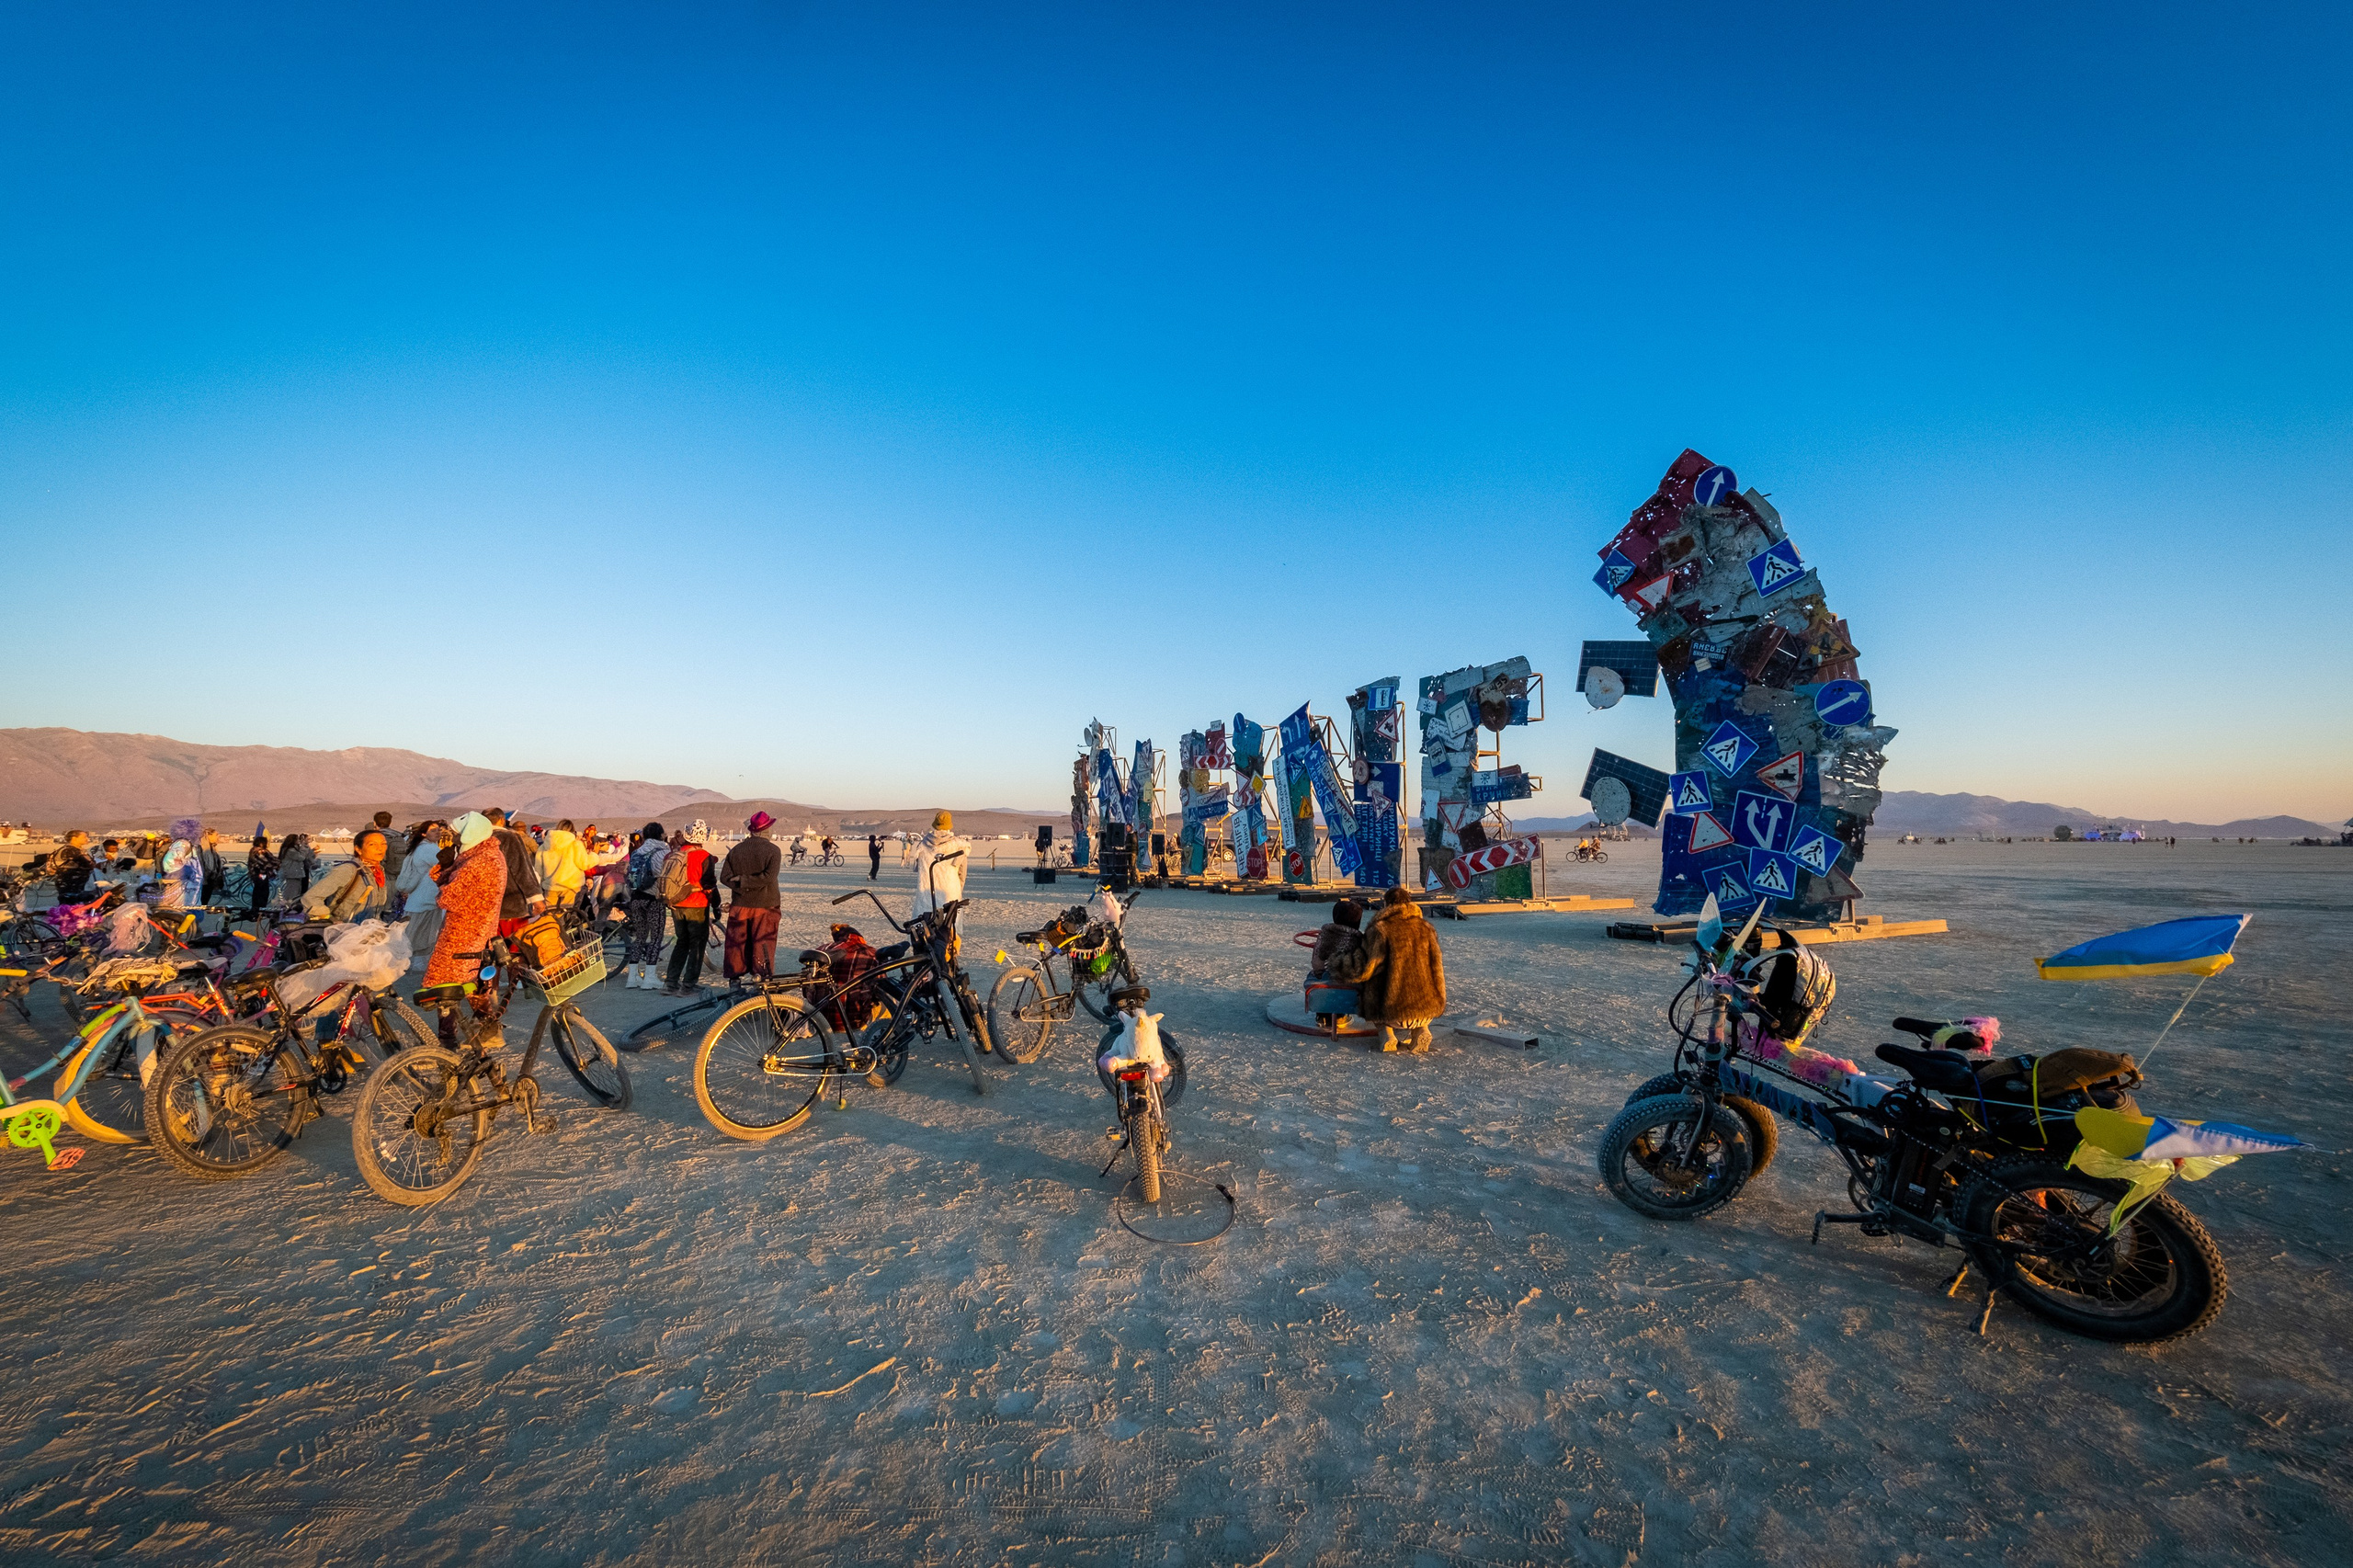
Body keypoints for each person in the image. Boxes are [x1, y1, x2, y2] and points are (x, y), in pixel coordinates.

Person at [422, 812, 506, 1044]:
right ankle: (488, 1030)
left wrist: (446, 867)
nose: (455, 839)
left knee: (446, 988)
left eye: (458, 835)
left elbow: (447, 899)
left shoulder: (478, 862)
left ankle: (447, 1043)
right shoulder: (488, 854)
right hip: (479, 929)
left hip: (464, 933)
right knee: (474, 983)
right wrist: (449, 866)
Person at [1335, 885, 1448, 1053]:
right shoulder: (1427, 929)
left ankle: (1386, 1034)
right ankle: (1421, 1029)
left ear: (1386, 904)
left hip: (1391, 1012)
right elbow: (1437, 969)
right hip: (1426, 1009)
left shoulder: (1380, 929)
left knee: (1371, 985)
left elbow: (1364, 968)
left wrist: (1339, 963)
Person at [722, 811, 783, 982]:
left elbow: (724, 878)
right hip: (766, 905)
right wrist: (747, 882)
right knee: (763, 944)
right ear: (766, 830)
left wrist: (741, 884)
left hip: (740, 904)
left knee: (737, 945)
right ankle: (762, 980)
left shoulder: (736, 850)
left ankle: (735, 982)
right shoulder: (773, 850)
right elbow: (769, 877)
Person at [662, 828, 722, 995]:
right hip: (697, 905)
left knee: (682, 942)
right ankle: (688, 985)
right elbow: (710, 885)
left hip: (676, 904)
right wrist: (716, 906)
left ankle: (670, 983)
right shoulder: (704, 856)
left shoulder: (672, 855)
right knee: (697, 944)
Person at [302, 826, 392, 922]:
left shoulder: (378, 872)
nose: (380, 848)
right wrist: (330, 920)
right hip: (346, 932)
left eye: (384, 844)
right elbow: (311, 897)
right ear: (358, 849)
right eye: (372, 844)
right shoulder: (348, 870)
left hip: (370, 931)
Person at [622, 824, 671, 989]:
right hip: (653, 900)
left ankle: (632, 977)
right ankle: (650, 977)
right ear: (661, 834)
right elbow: (665, 875)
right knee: (656, 938)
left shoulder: (637, 852)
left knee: (640, 937)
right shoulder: (663, 853)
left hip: (635, 899)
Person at [483, 808, 546, 937]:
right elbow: (521, 869)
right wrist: (536, 897)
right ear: (502, 820)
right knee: (515, 948)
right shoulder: (509, 837)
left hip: (485, 906)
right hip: (511, 904)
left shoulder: (475, 839)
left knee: (492, 949)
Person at [537, 818, 622, 908]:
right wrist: (594, 854)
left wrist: (544, 884)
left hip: (550, 887)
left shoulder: (544, 847)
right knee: (567, 913)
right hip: (570, 886)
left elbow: (539, 869)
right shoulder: (575, 845)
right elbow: (584, 864)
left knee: (550, 914)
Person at [394, 823, 449, 961]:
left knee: (415, 933)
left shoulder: (420, 847)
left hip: (419, 898)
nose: (437, 832)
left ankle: (410, 962)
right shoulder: (428, 849)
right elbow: (446, 866)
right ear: (424, 833)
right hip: (425, 898)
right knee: (421, 934)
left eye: (438, 830)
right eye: (433, 830)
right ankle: (413, 963)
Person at [909, 811, 969, 916]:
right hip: (950, 892)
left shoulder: (922, 845)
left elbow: (918, 869)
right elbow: (962, 874)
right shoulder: (959, 845)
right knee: (950, 926)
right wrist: (959, 890)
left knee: (926, 925)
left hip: (926, 894)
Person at [1310, 899, 1366, 980]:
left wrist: (1318, 973)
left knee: (1310, 976)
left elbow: (1316, 961)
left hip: (1324, 980)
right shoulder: (1360, 940)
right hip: (1351, 983)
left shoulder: (1325, 933)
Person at [155, 818, 203, 910]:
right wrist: (186, 872)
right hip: (181, 887)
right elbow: (170, 864)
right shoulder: (182, 844)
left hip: (186, 886)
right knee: (180, 912)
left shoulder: (185, 844)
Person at [274, 833, 318, 909]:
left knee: (295, 889)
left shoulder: (291, 849)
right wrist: (305, 848)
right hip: (292, 873)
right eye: (297, 839)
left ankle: (289, 904)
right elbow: (301, 857)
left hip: (295, 872)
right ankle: (288, 904)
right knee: (292, 890)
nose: (299, 841)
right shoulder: (291, 851)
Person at [244, 832, 278, 916]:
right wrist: (277, 864)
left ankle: (258, 909)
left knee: (259, 891)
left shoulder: (255, 850)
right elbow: (266, 863)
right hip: (260, 874)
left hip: (258, 874)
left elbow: (272, 859)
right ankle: (259, 910)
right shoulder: (259, 851)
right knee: (262, 892)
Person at [371, 811, 408, 886]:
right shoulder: (400, 837)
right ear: (390, 823)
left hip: (384, 878)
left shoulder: (376, 838)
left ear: (374, 823)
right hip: (401, 878)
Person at [197, 828, 227, 906]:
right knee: (201, 904)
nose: (218, 836)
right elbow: (202, 865)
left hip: (210, 880)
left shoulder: (212, 848)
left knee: (204, 903)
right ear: (209, 836)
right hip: (203, 881)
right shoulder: (201, 849)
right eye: (216, 835)